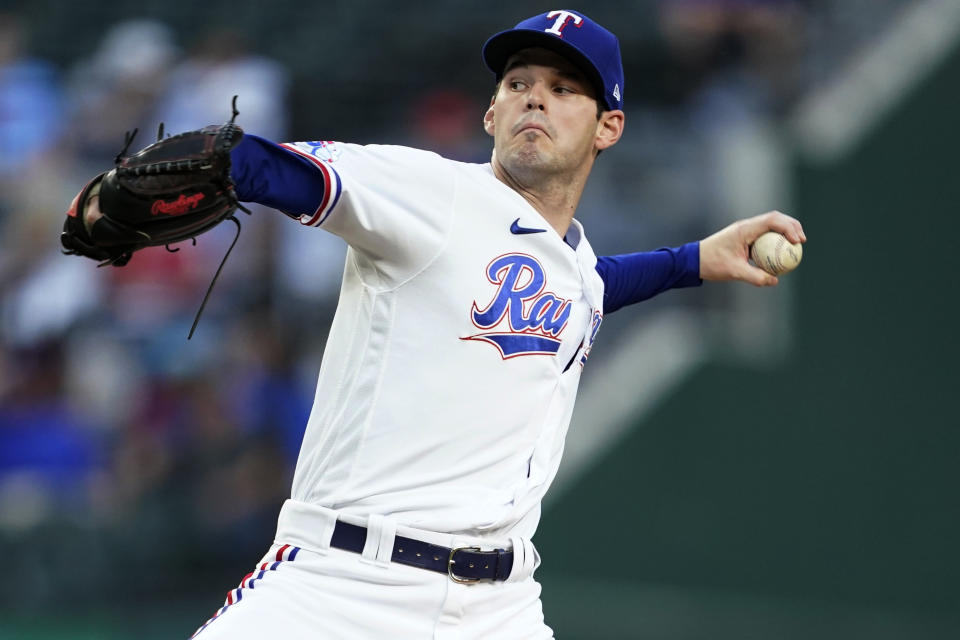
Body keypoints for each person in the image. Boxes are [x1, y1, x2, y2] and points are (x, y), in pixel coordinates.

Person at [77, 9, 805, 639]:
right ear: (490, 114)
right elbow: (286, 172)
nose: (533, 101)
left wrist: (691, 260)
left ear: (608, 126)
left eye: (562, 89)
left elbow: (588, 286)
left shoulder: (570, 263)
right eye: (518, 84)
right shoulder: (433, 195)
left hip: (500, 608)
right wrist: (234, 162)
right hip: (344, 586)